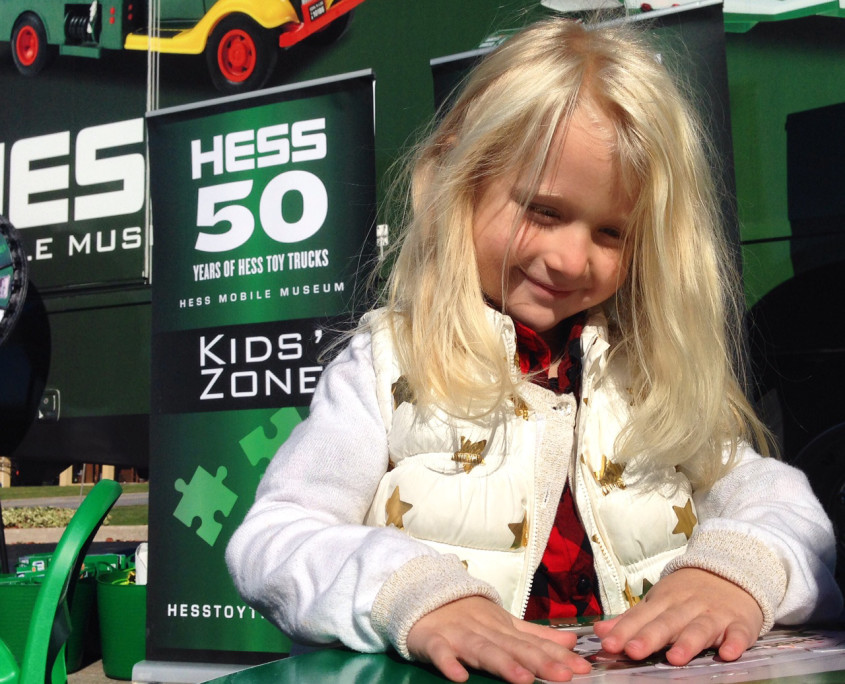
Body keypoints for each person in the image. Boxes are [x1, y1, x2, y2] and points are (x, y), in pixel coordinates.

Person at [226, 17, 842, 684]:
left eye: (611, 231)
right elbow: (273, 538)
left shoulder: (652, 372)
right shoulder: (387, 362)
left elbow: (783, 503)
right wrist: (417, 596)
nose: (571, 258)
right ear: (454, 184)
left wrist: (735, 573)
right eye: (543, 213)